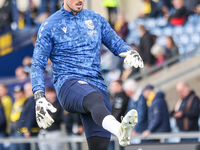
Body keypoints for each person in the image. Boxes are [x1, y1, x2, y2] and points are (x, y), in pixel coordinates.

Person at [30, 0, 144, 149]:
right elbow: (38, 63)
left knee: (100, 145)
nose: (79, 0)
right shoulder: (50, 25)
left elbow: (116, 43)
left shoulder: (96, 19)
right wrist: (39, 96)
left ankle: (118, 130)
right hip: (68, 83)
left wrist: (129, 51)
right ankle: (119, 129)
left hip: (97, 85)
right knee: (94, 98)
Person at [18, 82, 39, 150]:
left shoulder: (33, 100)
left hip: (31, 131)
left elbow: (31, 115)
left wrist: (28, 129)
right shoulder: (27, 100)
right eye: (25, 90)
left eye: (28, 90)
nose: (26, 92)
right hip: (26, 130)